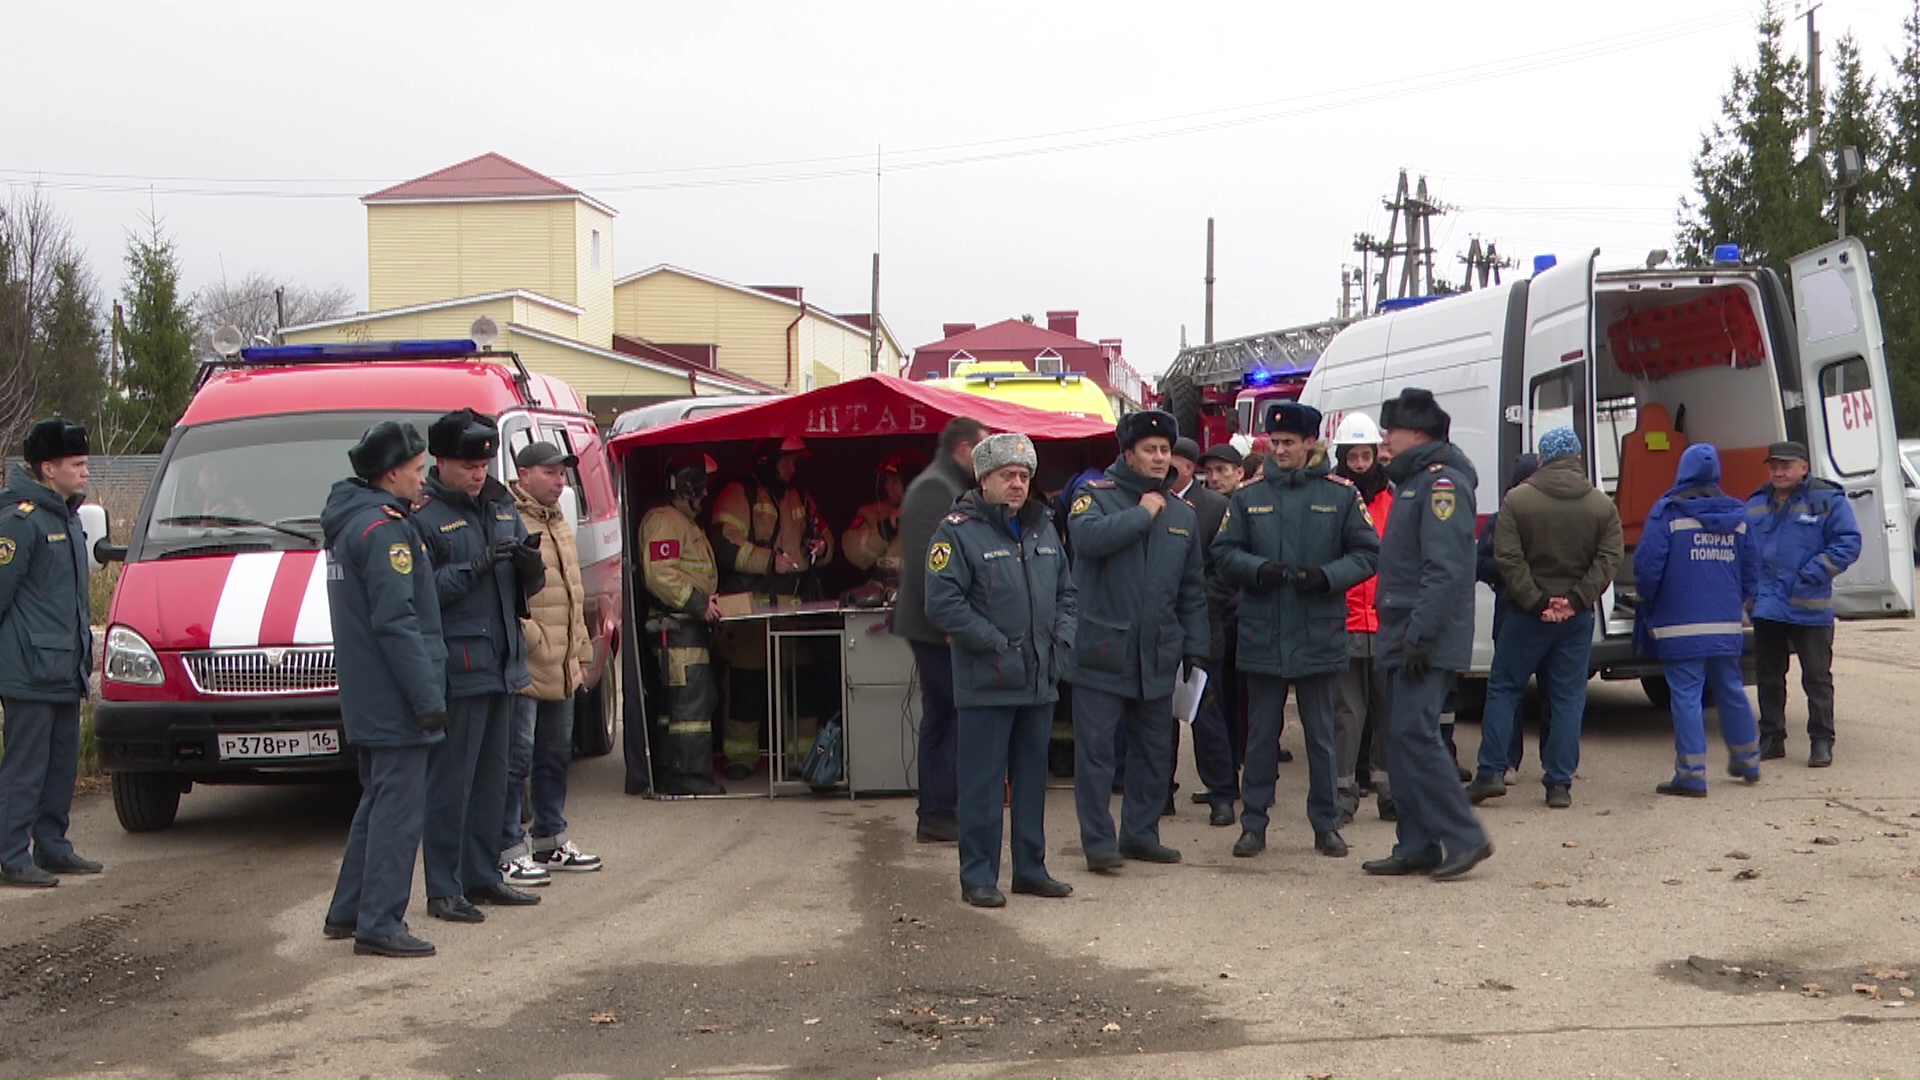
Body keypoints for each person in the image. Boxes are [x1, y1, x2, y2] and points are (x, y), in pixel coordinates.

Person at [1214, 403, 1379, 859]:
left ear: (1310, 443)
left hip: (1317, 630)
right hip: (1264, 632)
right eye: (1275, 442)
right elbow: (1224, 551)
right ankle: (1254, 824)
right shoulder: (1249, 496)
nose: (1280, 449)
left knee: (1321, 736)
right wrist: (1258, 569)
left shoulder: (1341, 495)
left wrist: (1327, 576)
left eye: (1289, 442)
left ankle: (1325, 823)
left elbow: (1368, 553)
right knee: (1261, 736)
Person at [924, 433, 1077, 907]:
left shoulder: (1043, 527)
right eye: (1007, 475)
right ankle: (978, 876)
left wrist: (1062, 642)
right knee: (983, 785)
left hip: (1037, 678)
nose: (1017, 484)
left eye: (1024, 476)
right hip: (987, 679)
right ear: (983, 479)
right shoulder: (956, 530)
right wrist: (996, 644)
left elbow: (1066, 594)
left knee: (1032, 781)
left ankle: (1030, 869)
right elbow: (942, 603)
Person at [411, 409, 545, 923]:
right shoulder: (425, 518)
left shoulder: (502, 507)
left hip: (504, 663)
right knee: (452, 786)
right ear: (440, 462)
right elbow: (428, 593)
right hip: (460, 667)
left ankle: (482, 875)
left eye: (483, 464)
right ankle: (444, 887)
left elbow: (527, 586)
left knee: (494, 782)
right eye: (467, 464)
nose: (477, 473)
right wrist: (478, 564)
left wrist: (531, 568)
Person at [320, 421, 443, 957]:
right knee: (398, 810)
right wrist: (428, 698)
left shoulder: (354, 524)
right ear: (390, 473)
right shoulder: (385, 532)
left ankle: (350, 908)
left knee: (377, 803)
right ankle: (380, 922)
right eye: (417, 471)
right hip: (394, 696)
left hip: (368, 692)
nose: (424, 481)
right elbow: (397, 623)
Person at [1066, 409, 1208, 870]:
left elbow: (1192, 589)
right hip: (1102, 650)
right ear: (1127, 454)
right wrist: (1143, 514)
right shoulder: (1095, 496)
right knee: (1098, 752)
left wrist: (1196, 648)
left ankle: (1141, 834)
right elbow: (1087, 541)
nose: (1159, 458)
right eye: (1150, 450)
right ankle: (1099, 843)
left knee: (1154, 749)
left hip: (1157, 651)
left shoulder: (1183, 514)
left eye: (1165, 450)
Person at [1363, 388, 1492, 881]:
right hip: (1406, 631)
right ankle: (1416, 843)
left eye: (1391, 430)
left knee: (1417, 734)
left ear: (1417, 433)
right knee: (1401, 740)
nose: (1386, 440)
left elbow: (1445, 570)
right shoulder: (1415, 482)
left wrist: (1420, 635)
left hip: (1423, 636)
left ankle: (1465, 836)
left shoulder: (1441, 485)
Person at [1469, 426, 1622, 810]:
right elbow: (1608, 560)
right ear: (1577, 457)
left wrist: (1536, 601)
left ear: (1541, 459)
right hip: (1576, 619)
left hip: (1524, 614)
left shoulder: (1517, 501)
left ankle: (1491, 770)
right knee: (1568, 697)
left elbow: (1507, 557)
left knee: (1504, 688)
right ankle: (1558, 784)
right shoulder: (1601, 506)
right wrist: (1575, 599)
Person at [0, 417, 100, 889]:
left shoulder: (67, 516)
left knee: (61, 764)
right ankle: (11, 854)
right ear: (47, 468)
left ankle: (53, 845)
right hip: (28, 670)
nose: (85, 472)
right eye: (76, 464)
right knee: (26, 766)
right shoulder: (19, 521)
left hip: (65, 667)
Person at [497, 440, 603, 887]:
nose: (560, 482)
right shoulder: (506, 519)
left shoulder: (558, 521)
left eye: (563, 475)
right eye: (549, 473)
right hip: (529, 663)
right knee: (514, 761)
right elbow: (507, 597)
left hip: (562, 662)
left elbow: (574, 595)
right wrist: (535, 641)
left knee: (556, 756)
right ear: (523, 475)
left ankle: (550, 838)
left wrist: (579, 652)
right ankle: (507, 848)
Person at [1634, 444, 1763, 795]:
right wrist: (1736, 603)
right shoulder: (1739, 515)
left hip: (1679, 624)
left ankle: (1691, 774)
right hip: (1724, 623)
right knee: (1730, 689)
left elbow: (1647, 567)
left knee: (1687, 696)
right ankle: (1748, 759)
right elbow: (1752, 569)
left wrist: (1646, 600)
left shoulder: (1668, 512)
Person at [709, 436, 835, 776]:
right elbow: (723, 543)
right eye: (788, 461)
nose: (794, 468)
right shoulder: (739, 494)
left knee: (801, 685)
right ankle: (739, 758)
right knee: (745, 687)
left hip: (794, 612)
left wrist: (821, 547)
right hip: (751, 613)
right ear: (767, 460)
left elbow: (827, 538)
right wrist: (769, 561)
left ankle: (804, 759)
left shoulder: (801, 498)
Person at [893, 417, 986, 843]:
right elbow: (928, 562)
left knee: (944, 717)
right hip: (936, 628)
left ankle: (938, 812)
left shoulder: (946, 484)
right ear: (964, 449)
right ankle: (939, 811)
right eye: (982, 451)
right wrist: (948, 623)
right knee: (957, 713)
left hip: (937, 625)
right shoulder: (935, 488)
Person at [1746, 440, 1860, 768]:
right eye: (1774, 466)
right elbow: (1744, 547)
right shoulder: (1754, 503)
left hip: (1808, 606)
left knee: (1817, 678)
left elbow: (1849, 542)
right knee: (1768, 675)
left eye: (1786, 465)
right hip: (1767, 607)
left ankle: (1821, 741)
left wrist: (1813, 572)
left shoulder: (1825, 499)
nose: (1779, 472)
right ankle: (1771, 738)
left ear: (1803, 467)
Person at [637, 451, 728, 797]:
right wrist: (699, 603)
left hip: (684, 625)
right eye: (702, 489)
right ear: (688, 486)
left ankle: (671, 768)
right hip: (677, 625)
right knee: (690, 704)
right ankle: (685, 773)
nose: (706, 496)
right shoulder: (665, 521)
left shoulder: (681, 521)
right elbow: (661, 575)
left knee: (680, 704)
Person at [1329, 413, 1395, 824]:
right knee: (1346, 713)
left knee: (1389, 710)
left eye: (1364, 455)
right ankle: (1342, 792)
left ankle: (1389, 790)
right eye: (1351, 456)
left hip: (1387, 622)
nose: (1358, 463)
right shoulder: (1331, 499)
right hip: (1345, 620)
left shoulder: (1395, 498)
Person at [1172, 439, 1237, 826]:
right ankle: (1159, 792)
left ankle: (1222, 793)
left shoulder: (1215, 508)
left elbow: (1225, 575)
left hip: (1203, 626)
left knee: (1207, 713)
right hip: (1159, 630)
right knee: (1157, 717)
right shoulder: (1149, 503)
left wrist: (1194, 607)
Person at [1474, 454, 1547, 781]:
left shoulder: (1552, 515)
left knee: (1552, 693)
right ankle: (1508, 760)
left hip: (1542, 612)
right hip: (1509, 610)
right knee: (1510, 691)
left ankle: (1554, 763)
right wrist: (1510, 574)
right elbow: (1481, 564)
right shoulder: (1500, 518)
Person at [843, 450, 926, 589]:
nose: (887, 486)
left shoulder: (936, 513)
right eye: (887, 480)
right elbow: (852, 552)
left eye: (894, 481)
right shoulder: (872, 512)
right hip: (882, 596)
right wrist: (886, 528)